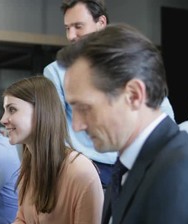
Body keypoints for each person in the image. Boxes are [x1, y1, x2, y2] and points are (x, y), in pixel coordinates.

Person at [57, 23, 188, 224]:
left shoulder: (187, 172)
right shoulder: (129, 165)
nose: (76, 125)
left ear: (134, 95)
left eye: (85, 108)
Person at [43, 0, 175, 187]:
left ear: (101, 22)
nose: (71, 35)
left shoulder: (125, 60)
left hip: (132, 160)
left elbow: (162, 110)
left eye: (78, 26)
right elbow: (54, 127)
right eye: (67, 28)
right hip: (89, 164)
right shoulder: (56, 71)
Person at [0, 76, 104, 224]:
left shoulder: (81, 173)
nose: (3, 119)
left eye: (12, 109)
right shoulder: (29, 165)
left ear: (40, 112)